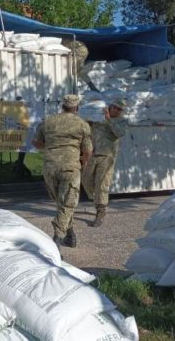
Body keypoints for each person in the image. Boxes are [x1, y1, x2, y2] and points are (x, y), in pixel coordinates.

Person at [32, 94, 93, 249]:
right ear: (77, 107)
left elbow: (36, 142)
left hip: (50, 168)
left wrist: (50, 148)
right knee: (67, 202)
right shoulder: (82, 124)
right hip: (70, 168)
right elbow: (88, 151)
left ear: (62, 106)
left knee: (63, 202)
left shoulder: (48, 121)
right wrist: (82, 162)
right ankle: (58, 239)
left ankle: (70, 235)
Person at [82, 99, 128, 227]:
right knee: (86, 179)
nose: (116, 110)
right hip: (93, 154)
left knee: (102, 184)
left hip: (107, 157)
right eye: (114, 107)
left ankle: (100, 212)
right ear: (110, 106)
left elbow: (120, 133)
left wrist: (109, 119)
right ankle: (97, 201)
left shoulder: (121, 121)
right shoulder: (98, 117)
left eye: (119, 109)